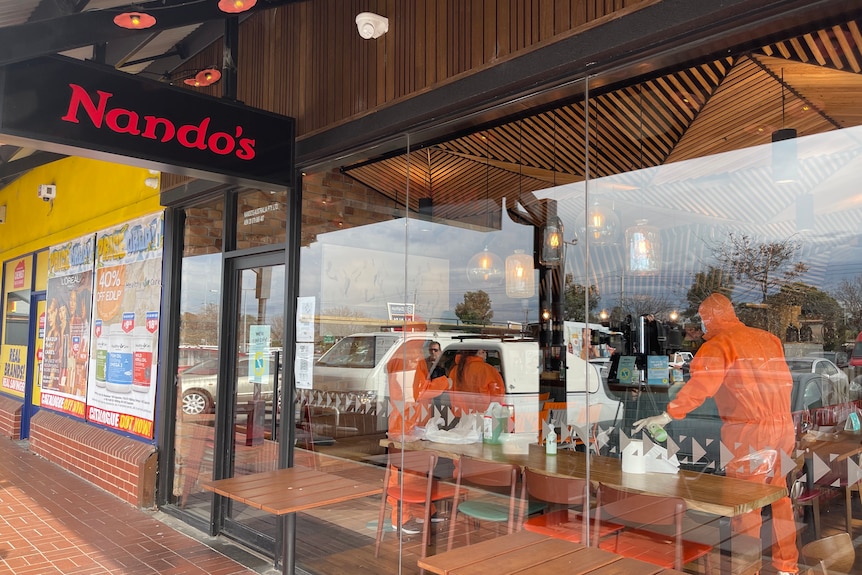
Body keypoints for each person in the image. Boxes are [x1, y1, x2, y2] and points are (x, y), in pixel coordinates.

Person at [634, 293, 798, 575]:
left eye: (702, 317)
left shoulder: (720, 345)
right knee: (779, 497)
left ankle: (747, 571)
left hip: (751, 431)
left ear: (709, 317)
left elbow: (701, 387)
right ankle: (787, 567)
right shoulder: (768, 339)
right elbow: (783, 381)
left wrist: (667, 415)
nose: (701, 323)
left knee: (745, 504)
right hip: (783, 427)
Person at [447, 349, 505, 417]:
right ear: (480, 352)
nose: (485, 355)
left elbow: (451, 394)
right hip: (483, 416)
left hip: (460, 416)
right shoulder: (488, 369)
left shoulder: (454, 370)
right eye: (484, 352)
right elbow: (498, 395)